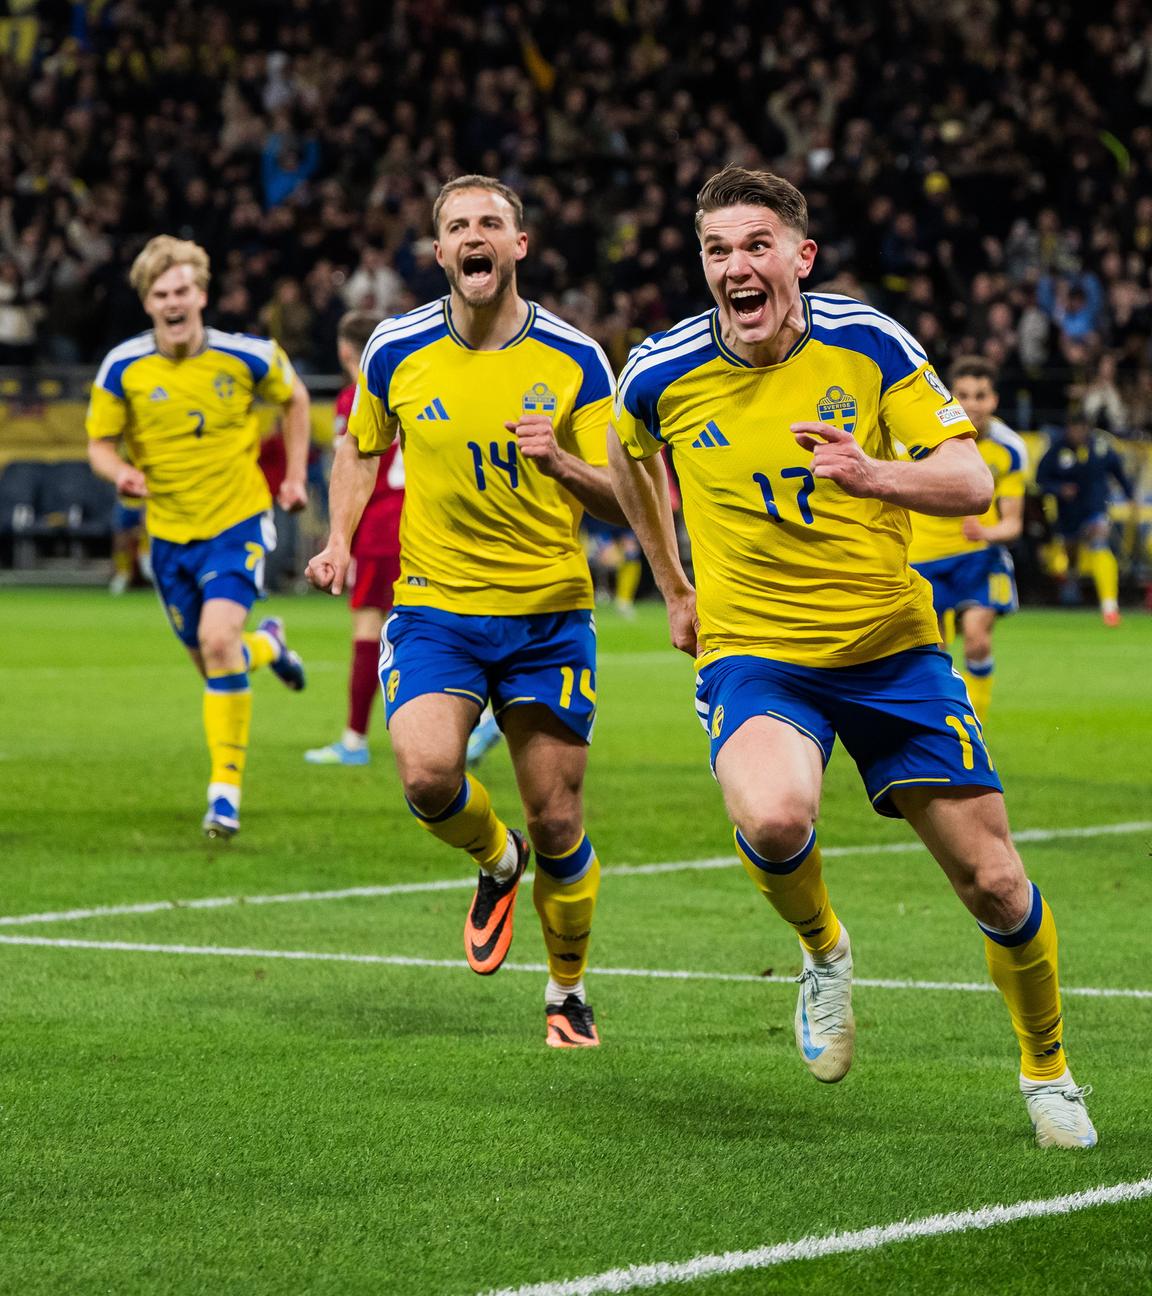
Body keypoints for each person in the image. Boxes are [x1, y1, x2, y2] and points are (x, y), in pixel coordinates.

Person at [609, 164, 1096, 1150]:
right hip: (756, 654)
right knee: (776, 813)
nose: (736, 268)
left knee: (996, 885)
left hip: (890, 649)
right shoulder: (659, 370)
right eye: (717, 250)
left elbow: (970, 482)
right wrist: (673, 584)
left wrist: (874, 474)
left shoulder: (868, 343)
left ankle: (1047, 1068)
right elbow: (627, 457)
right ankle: (825, 950)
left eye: (756, 246)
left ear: (801, 257)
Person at [306, 175, 624, 1046]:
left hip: (548, 615)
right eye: (457, 226)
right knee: (426, 776)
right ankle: (496, 858)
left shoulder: (577, 359)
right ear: (440, 252)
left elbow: (621, 497)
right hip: (438, 609)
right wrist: (337, 538)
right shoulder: (395, 347)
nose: (474, 236)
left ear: (519, 246)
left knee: (559, 817)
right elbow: (359, 447)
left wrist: (563, 464)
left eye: (492, 222)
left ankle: (566, 992)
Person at [87, 235, 311, 840]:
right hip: (168, 537)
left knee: (217, 642)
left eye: (183, 290)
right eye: (161, 294)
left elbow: (295, 400)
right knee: (216, 661)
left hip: (236, 521)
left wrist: (291, 477)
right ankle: (268, 647)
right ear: (148, 303)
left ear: (202, 295)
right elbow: (98, 446)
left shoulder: (249, 356)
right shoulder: (123, 368)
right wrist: (121, 474)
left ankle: (224, 794)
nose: (173, 301)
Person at [305, 310, 404, 765]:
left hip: (382, 523)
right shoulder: (407, 386)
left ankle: (354, 740)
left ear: (345, 350)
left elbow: (356, 466)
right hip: (422, 522)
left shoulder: (355, 398)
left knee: (367, 625)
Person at [908, 356, 1028, 723]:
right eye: (963, 395)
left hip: (977, 556)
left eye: (981, 395)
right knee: (936, 654)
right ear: (949, 396)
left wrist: (986, 532)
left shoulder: (1009, 448)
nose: (972, 403)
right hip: (922, 558)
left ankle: (977, 728)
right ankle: (945, 725)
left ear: (994, 400)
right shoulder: (918, 434)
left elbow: (1013, 524)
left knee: (977, 637)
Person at [1036, 410, 1136, 626]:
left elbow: (1118, 471)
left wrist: (1130, 495)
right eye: (1074, 428)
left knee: (1100, 543)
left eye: (1082, 428)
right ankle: (1071, 590)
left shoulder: (1101, 449)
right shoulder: (1057, 450)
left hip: (1095, 510)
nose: (1078, 433)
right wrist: (1059, 489)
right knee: (1071, 555)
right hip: (1068, 514)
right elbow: (1040, 479)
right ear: (1068, 429)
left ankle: (1110, 606)